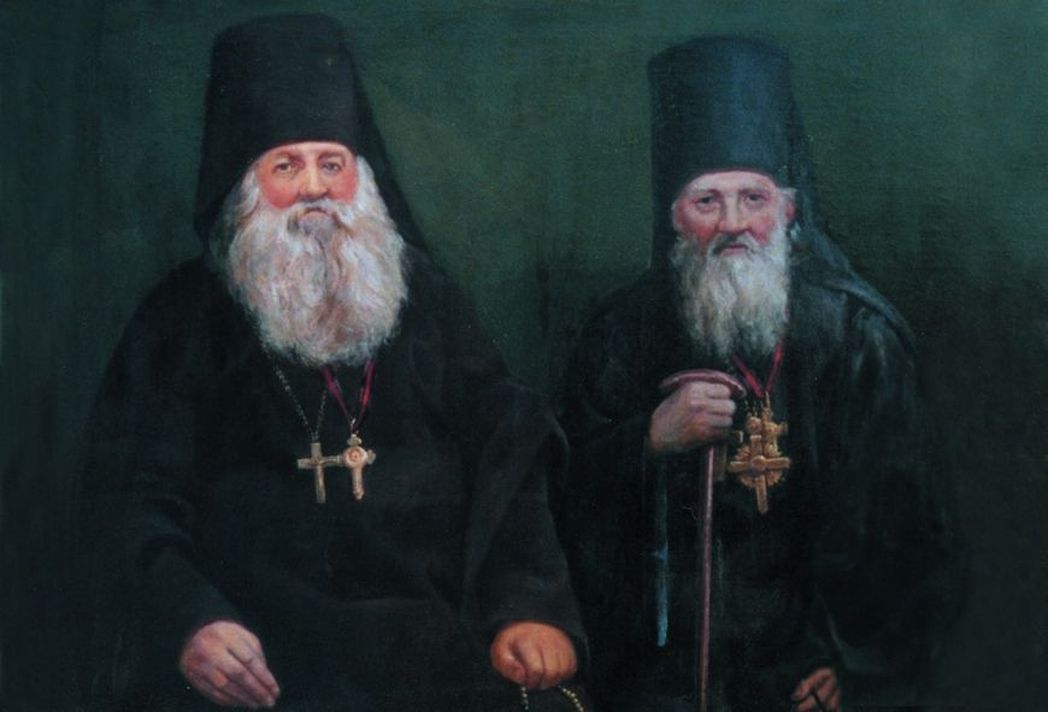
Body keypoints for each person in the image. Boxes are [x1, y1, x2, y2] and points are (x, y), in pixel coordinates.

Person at [81, 14, 585, 712]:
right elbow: (129, 496)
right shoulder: (180, 318)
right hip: (254, 664)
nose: (315, 187)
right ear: (244, 186)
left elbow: (511, 454)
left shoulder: (425, 300)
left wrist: (528, 607)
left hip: (429, 652)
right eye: (286, 166)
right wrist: (191, 620)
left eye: (332, 163)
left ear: (361, 177)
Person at [558, 37, 964, 711]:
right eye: (706, 202)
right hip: (661, 685)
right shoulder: (619, 334)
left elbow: (913, 535)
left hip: (806, 677)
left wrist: (857, 664)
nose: (734, 225)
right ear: (673, 216)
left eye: (754, 198)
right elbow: (559, 504)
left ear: (789, 212)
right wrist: (648, 440)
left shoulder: (858, 339)